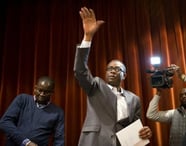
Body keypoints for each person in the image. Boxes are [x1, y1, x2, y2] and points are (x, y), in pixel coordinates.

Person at [74, 7, 152, 146]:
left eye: (117, 69)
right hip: (95, 142)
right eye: (109, 68)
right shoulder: (96, 86)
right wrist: (88, 37)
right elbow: (80, 70)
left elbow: (136, 128)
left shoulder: (134, 99)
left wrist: (144, 132)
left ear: (124, 75)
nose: (113, 71)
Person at [0, 76, 65, 146]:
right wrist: (26, 142)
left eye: (46, 92)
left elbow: (59, 139)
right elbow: (4, 122)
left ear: (52, 93)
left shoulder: (58, 112)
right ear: (35, 88)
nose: (42, 94)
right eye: (40, 90)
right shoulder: (22, 99)